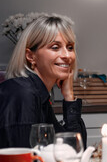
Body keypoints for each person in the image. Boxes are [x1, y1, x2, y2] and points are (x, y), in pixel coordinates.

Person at [0, 14, 87, 148]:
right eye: (55, 47)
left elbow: (73, 151)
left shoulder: (40, 94)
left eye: (70, 47)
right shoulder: (22, 94)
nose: (67, 55)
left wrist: (69, 97)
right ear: (30, 56)